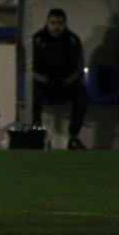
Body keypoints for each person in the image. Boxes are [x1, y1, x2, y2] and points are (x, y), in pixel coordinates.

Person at [32, 8, 87, 150]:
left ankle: (74, 137)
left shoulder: (73, 41)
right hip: (44, 84)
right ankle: (36, 133)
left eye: (60, 23)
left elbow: (79, 67)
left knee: (81, 92)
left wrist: (66, 81)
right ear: (48, 23)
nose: (56, 27)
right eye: (53, 23)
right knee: (33, 90)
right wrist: (46, 81)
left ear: (65, 24)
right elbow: (30, 68)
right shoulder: (37, 40)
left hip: (66, 85)